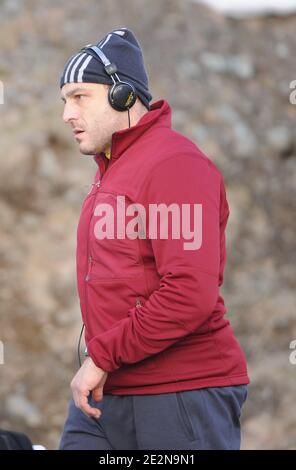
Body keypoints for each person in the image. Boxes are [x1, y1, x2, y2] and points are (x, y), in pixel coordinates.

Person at [59, 27, 249, 450]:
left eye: (79, 96)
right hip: (110, 392)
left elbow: (189, 293)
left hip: (180, 392)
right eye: (64, 101)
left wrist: (102, 356)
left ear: (122, 94)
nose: (67, 114)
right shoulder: (115, 169)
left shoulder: (172, 164)